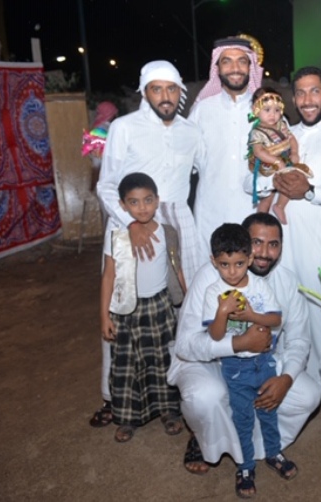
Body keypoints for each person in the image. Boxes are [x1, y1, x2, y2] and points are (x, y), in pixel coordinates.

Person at [167, 213, 319, 495]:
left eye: (273, 244)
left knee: (307, 395)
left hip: (260, 363)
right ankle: (205, 436)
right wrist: (238, 344)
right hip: (209, 362)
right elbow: (186, 345)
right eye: (256, 242)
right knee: (206, 397)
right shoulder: (211, 278)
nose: (264, 253)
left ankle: (262, 449)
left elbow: (299, 339)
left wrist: (286, 379)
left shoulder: (286, 281)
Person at [91, 60, 204, 428]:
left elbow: (209, 169)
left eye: (171, 89)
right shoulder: (124, 127)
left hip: (178, 224)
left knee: (181, 307)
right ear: (145, 92)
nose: (165, 96)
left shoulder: (191, 131)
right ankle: (114, 398)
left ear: (180, 92)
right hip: (131, 223)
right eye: (157, 89)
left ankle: (179, 393)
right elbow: (106, 184)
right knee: (123, 305)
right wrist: (130, 224)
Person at [250, 66, 321, 403]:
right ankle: (302, 392)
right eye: (300, 93)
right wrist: (271, 180)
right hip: (283, 249)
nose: (307, 99)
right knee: (291, 321)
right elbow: (252, 179)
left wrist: (310, 192)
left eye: (315, 91)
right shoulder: (282, 134)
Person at [202, 223, 294, 498]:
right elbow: (216, 336)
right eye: (224, 264)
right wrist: (222, 312)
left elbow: (276, 319)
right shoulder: (213, 292)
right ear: (214, 261)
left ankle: (274, 452)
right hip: (235, 366)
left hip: (264, 362)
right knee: (242, 419)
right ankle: (245, 466)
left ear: (250, 259)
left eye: (240, 264)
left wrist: (251, 315)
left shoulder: (260, 285)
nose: (232, 272)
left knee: (269, 412)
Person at [99, 173, 186, 442]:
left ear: (157, 200)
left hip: (160, 307)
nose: (142, 207)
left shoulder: (168, 233)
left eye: (148, 200)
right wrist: (104, 316)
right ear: (123, 205)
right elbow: (109, 276)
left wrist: (187, 303)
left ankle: (169, 411)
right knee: (127, 365)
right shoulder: (117, 236)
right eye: (134, 202)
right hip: (126, 311)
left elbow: (176, 269)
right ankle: (128, 418)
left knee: (162, 361)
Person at [190, 35, 264, 256]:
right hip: (210, 214)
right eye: (227, 61)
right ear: (217, 68)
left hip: (254, 212)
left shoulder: (267, 110)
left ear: (250, 67)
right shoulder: (202, 111)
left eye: (242, 61)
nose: (235, 68)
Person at [247, 87, 312, 224]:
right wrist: (276, 161)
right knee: (268, 197)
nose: (273, 114)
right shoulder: (256, 132)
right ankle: (259, 221)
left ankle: (280, 206)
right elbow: (258, 151)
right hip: (267, 164)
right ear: (256, 110)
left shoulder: (281, 125)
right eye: (267, 110)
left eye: (277, 110)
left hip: (283, 159)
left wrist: (294, 152)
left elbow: (291, 139)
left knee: (290, 181)